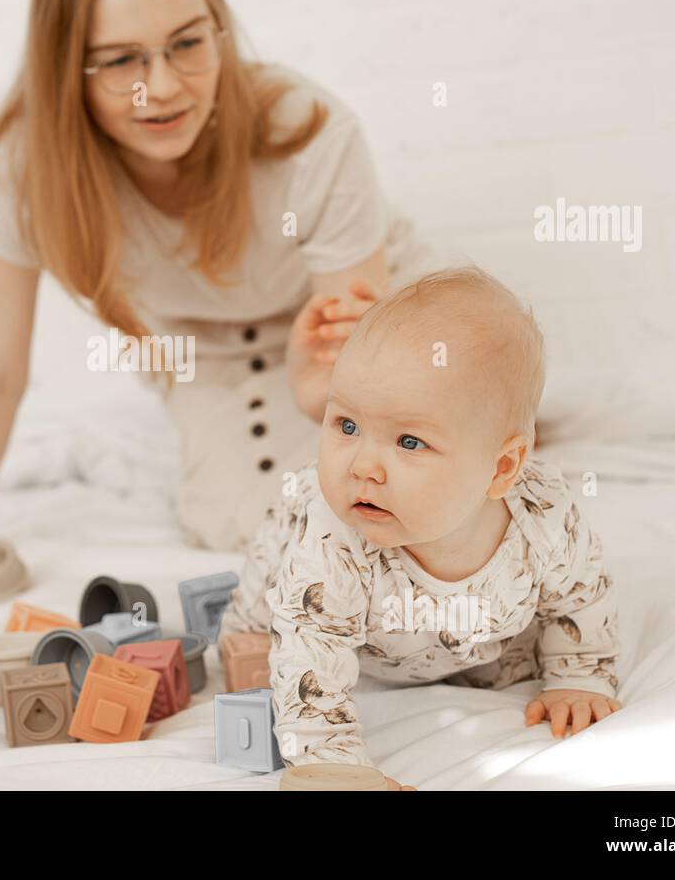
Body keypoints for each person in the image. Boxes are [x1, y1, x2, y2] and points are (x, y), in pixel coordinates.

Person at [0, 0, 440, 609]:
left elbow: (354, 365)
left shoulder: (312, 132)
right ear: (65, 65)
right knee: (234, 518)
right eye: (121, 61)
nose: (160, 88)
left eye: (188, 43)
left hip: (342, 333)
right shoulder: (23, 172)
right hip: (200, 349)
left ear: (220, 27)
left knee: (401, 485)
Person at [218, 267, 621, 790]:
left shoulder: (543, 521)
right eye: (346, 425)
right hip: (318, 596)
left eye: (409, 442)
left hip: (461, 636)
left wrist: (578, 674)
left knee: (511, 658)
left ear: (501, 469)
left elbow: (580, 595)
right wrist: (332, 765)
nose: (362, 466)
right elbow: (310, 658)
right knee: (264, 609)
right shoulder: (332, 537)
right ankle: (243, 625)